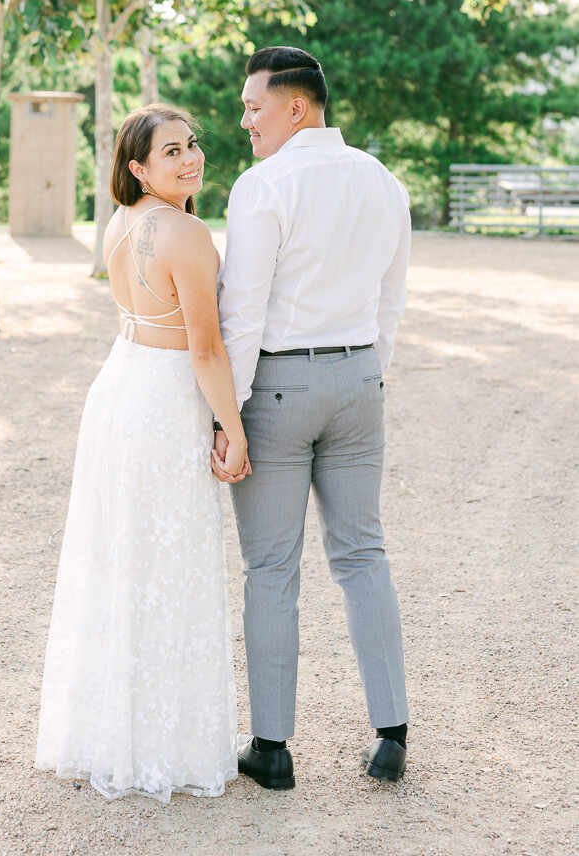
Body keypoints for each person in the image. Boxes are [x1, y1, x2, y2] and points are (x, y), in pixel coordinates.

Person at [35, 104, 250, 804]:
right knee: (169, 563)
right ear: (137, 167)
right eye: (170, 153)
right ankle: (159, 745)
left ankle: (109, 733)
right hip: (161, 402)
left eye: (192, 146)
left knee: (121, 562)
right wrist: (234, 428)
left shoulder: (120, 225)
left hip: (119, 388)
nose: (190, 160)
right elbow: (207, 348)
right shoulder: (186, 234)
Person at [216, 46, 411, 789]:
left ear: (295, 107)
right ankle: (391, 735)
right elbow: (391, 300)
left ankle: (272, 751)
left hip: (278, 389)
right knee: (364, 554)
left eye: (254, 107)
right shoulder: (384, 182)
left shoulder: (264, 186)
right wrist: (368, 371)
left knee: (271, 569)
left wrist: (226, 415)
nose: (245, 122)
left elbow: (243, 314)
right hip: (361, 377)